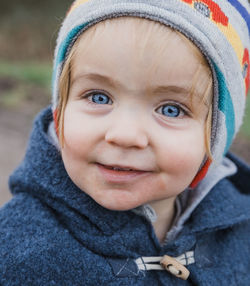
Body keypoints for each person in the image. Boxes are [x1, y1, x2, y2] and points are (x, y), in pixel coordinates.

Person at [0, 0, 249, 285]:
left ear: (216, 136)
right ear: (61, 110)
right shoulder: (19, 260)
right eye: (99, 97)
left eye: (171, 109)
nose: (125, 135)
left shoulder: (239, 233)